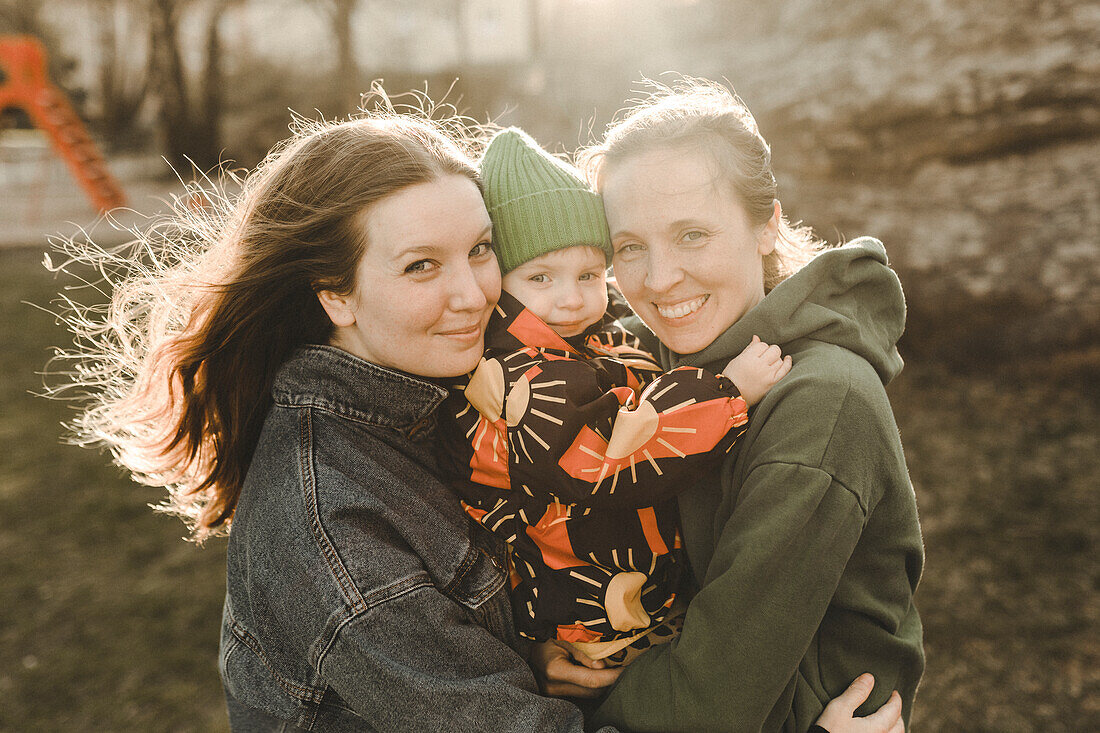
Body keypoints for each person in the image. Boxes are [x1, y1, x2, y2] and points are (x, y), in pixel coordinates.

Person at [53, 94, 905, 732]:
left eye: (481, 251)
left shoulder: (445, 404)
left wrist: (530, 651)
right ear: (335, 292)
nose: (473, 294)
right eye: (422, 266)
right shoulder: (332, 524)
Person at [535, 78, 925, 731]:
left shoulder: (823, 401)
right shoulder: (633, 367)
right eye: (630, 246)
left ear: (766, 223)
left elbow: (711, 697)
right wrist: (556, 643)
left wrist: (574, 704)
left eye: (692, 235)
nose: (657, 281)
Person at [440, 128, 792, 666]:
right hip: (593, 622)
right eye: (540, 277)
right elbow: (612, 458)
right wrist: (728, 392)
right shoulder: (523, 380)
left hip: (634, 597)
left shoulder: (586, 341)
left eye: (589, 274)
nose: (573, 298)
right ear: (499, 285)